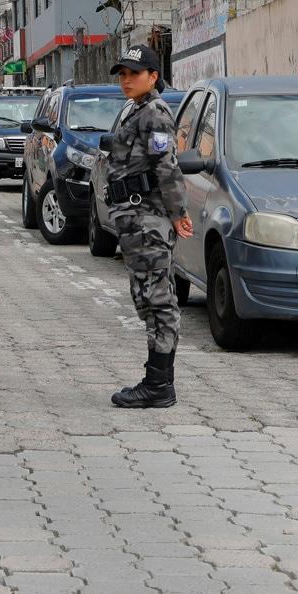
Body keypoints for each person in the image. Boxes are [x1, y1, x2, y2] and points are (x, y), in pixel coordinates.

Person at [104, 46, 193, 408]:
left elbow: (166, 167)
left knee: (158, 300)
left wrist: (177, 212)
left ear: (153, 77)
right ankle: (157, 380)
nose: (126, 80)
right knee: (146, 297)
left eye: (134, 73)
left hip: (149, 221)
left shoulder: (154, 112)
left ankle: (159, 384)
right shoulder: (135, 109)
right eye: (123, 73)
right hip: (135, 221)